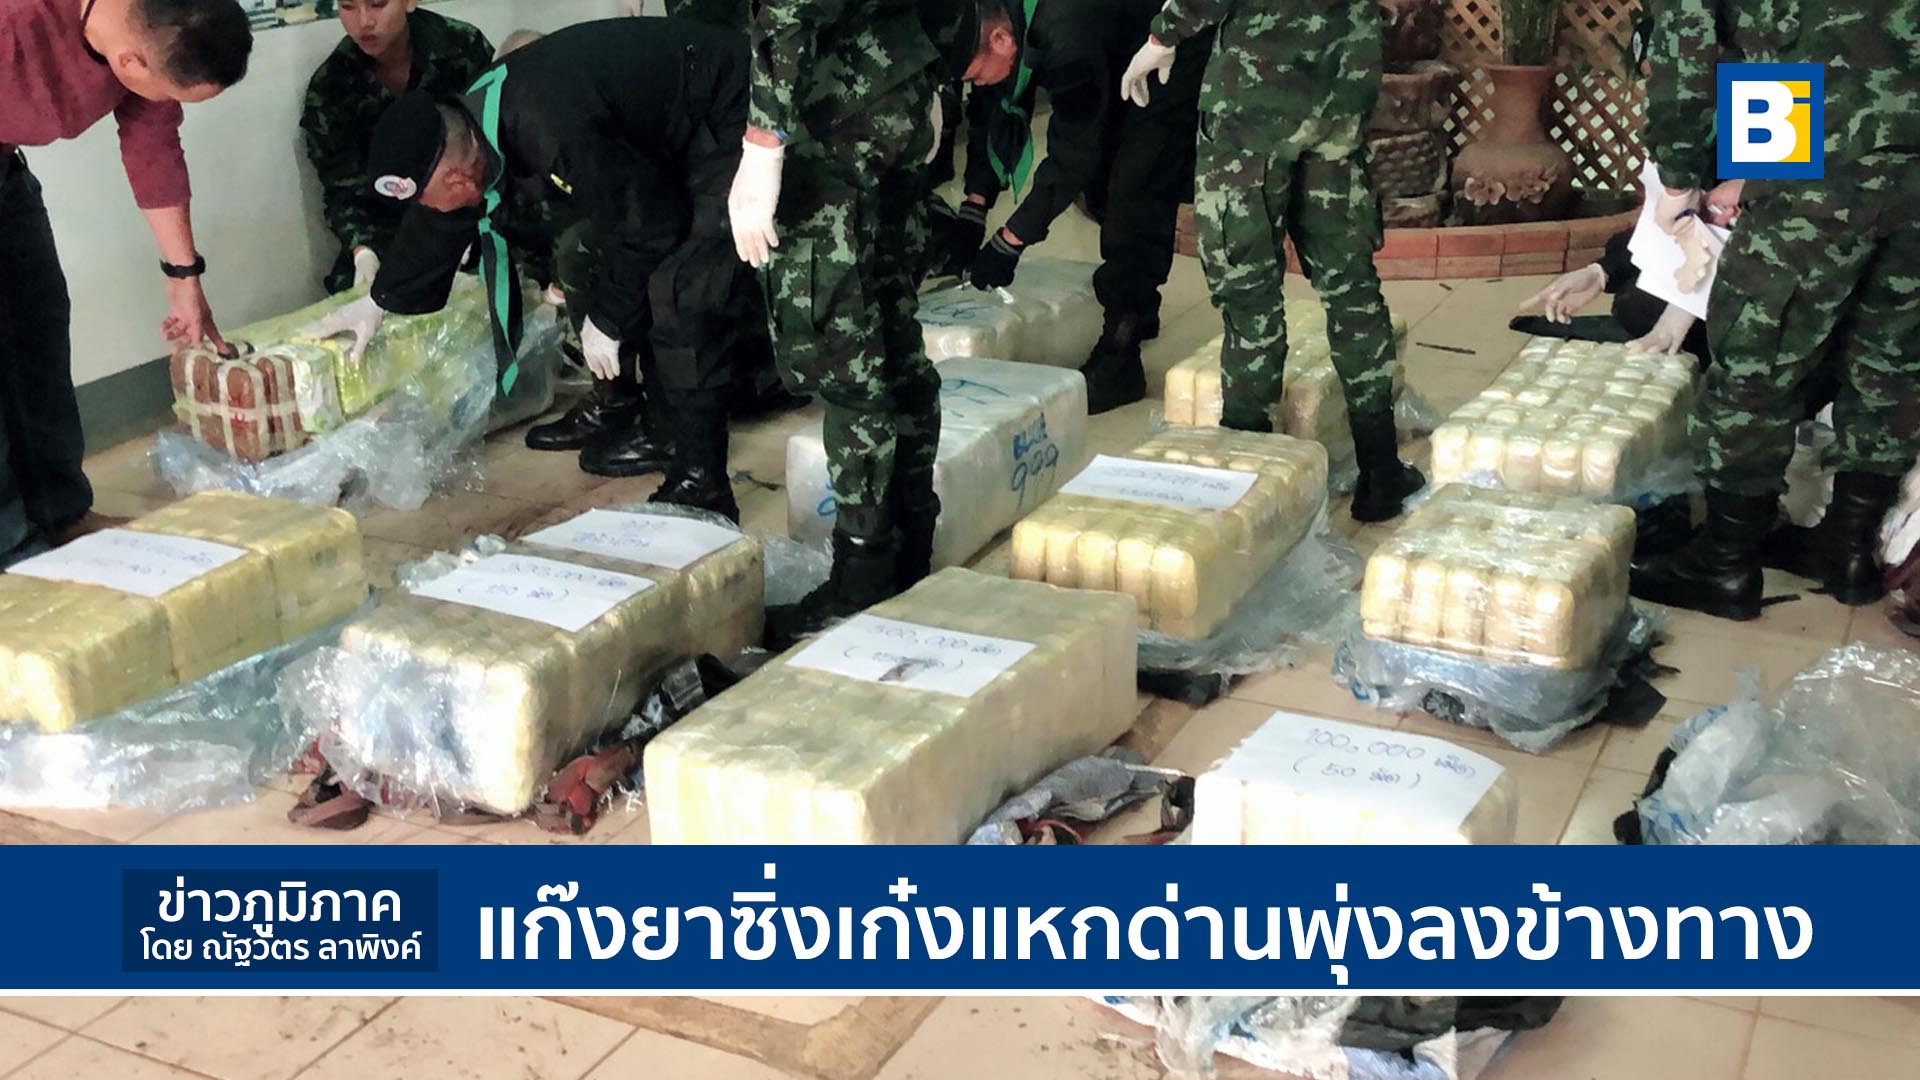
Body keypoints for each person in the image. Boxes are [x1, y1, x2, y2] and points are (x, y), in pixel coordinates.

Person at [306, 17, 762, 520]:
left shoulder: (550, 129)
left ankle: (702, 485)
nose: (432, 212)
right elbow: (442, 219)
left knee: (680, 286)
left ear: (459, 179)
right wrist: (379, 301)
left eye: (430, 200)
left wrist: (609, 319)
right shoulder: (476, 123)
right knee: (597, 256)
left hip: (732, 112)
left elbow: (653, 224)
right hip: (662, 132)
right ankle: (663, 428)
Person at [1627, 0, 1920, 621]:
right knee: (1894, 357)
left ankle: (1725, 562)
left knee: (1757, 356)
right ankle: (1848, 550)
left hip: (1798, 114)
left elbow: (1686, 41)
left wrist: (1678, 177)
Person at [729, 0, 987, 642]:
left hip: (832, 119)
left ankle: (863, 580)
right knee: (893, 333)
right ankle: (910, 549)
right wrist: (934, 73)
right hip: (895, 88)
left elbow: (787, 9)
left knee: (842, 358)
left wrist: (764, 138)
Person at [1119, 0, 1424, 520]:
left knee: (1249, 296)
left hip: (1253, 108)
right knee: (1351, 288)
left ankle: (1251, 491)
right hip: (1337, 99)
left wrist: (1162, 37)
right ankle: (1380, 471)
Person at [1, 0, 251, 569]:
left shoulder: (154, 28)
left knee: (36, 331)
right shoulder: (15, 22)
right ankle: (14, 552)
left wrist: (184, 276)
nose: (162, 104)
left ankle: (62, 515)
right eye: (166, 93)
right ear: (130, 63)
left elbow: (152, 143)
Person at [953, 0, 1211, 415]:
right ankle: (1140, 305)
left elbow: (1073, 152)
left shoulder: (1064, 33)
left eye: (974, 74)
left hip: (1166, 55)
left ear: (1000, 39)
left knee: (1136, 187)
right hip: (1112, 45)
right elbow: (993, 108)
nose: (977, 83)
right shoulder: (1004, 19)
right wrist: (975, 205)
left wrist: (1011, 239)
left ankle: (1122, 351)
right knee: (1100, 188)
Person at [300, 0, 492, 296]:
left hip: (471, 211)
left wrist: (478, 222)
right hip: (389, 231)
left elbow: (500, 143)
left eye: (377, 4)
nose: (364, 21)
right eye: (348, 7)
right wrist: (363, 250)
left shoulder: (461, 47)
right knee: (362, 298)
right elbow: (343, 190)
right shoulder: (332, 86)